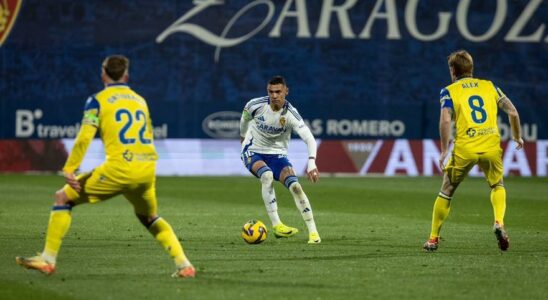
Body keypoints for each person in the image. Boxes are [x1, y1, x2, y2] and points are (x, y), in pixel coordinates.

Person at [16, 55, 195, 278]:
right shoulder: (140, 100)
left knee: (62, 198)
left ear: (103, 74)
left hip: (120, 168)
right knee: (149, 217)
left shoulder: (97, 101)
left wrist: (70, 167)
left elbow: (84, 136)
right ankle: (184, 265)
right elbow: (148, 134)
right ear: (126, 75)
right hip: (147, 169)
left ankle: (48, 259)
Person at [423, 50, 524, 252]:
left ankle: (433, 238)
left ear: (453, 70)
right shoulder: (489, 86)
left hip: (466, 147)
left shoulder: (449, 90)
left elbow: (445, 120)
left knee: (447, 190)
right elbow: (513, 111)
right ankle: (498, 222)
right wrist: (516, 136)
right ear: (471, 68)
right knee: (497, 185)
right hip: (490, 144)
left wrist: (444, 150)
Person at [240, 75, 321, 244]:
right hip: (253, 150)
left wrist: (312, 162)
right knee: (267, 175)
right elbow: (244, 120)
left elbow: (309, 138)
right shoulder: (254, 105)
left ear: (286, 91)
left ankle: (313, 233)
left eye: (278, 91)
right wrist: (242, 136)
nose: (274, 95)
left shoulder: (291, 114)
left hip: (277, 154)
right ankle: (277, 225)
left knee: (296, 187)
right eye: (271, 92)